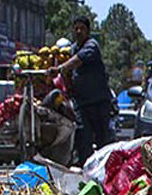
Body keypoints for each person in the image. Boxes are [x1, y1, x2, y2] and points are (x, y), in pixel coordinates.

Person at [48, 17, 113, 162]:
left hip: (98, 102)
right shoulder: (71, 49)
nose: (78, 31)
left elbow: (77, 60)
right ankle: (86, 169)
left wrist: (60, 68)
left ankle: (105, 172)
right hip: (82, 103)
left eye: (82, 28)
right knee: (83, 138)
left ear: (88, 31)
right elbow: (68, 73)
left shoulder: (92, 46)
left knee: (103, 141)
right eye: (76, 28)